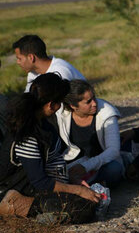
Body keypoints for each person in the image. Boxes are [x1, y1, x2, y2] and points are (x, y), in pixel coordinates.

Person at [0, 73, 100, 224]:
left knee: (91, 201)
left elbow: (53, 161)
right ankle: (16, 205)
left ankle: (43, 216)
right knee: (84, 208)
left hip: (42, 187)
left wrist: (72, 180)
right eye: (59, 103)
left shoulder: (45, 125)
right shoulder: (27, 134)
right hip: (25, 189)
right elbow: (40, 182)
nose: (60, 107)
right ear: (51, 104)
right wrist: (77, 190)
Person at [56, 80, 124, 188]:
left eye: (94, 98)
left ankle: (89, 187)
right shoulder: (60, 114)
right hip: (72, 166)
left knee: (114, 169)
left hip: (100, 164)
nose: (94, 103)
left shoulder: (107, 113)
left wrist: (86, 166)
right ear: (73, 106)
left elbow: (113, 150)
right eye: (88, 102)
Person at [12, 35, 86, 92]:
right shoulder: (33, 73)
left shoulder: (59, 72)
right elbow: (28, 98)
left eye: (19, 58)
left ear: (31, 57)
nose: (18, 62)